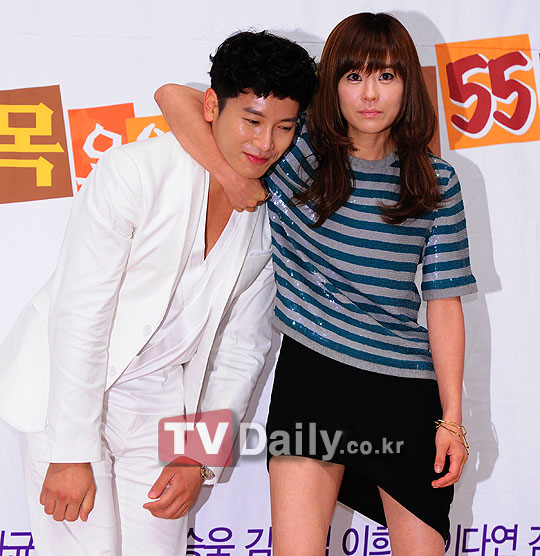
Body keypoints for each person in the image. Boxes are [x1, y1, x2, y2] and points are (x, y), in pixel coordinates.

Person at [155, 12, 476, 556]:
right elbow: (172, 97)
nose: (369, 94)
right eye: (354, 76)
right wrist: (234, 179)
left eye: (386, 76)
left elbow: (444, 302)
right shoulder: (293, 149)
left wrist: (453, 420)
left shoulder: (435, 181)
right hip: (311, 384)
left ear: (408, 86)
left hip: (403, 393)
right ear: (333, 83)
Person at [0, 31, 317, 556]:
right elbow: (81, 313)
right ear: (212, 106)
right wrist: (70, 449)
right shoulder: (135, 173)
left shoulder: (266, 215)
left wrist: (198, 455)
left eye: (284, 128)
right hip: (69, 391)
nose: (265, 144)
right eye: (252, 121)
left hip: (163, 402)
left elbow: (243, 348)